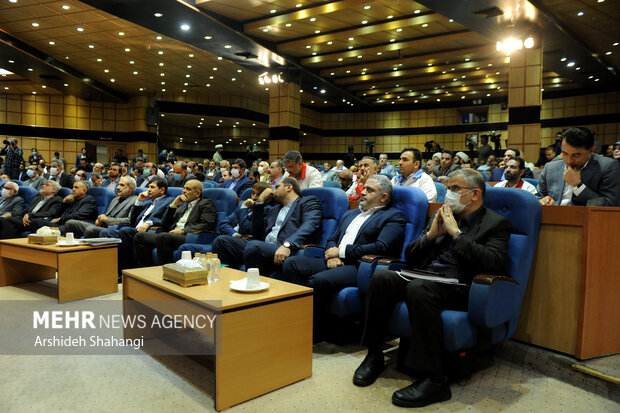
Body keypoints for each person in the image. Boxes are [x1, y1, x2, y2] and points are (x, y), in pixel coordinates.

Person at [353, 168, 512, 407]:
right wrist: (429, 236)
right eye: (447, 188)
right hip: (426, 276)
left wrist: (456, 234)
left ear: (475, 194)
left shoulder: (496, 223)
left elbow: (493, 263)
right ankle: (374, 355)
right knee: (381, 277)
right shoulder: (441, 215)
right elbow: (411, 256)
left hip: (461, 286)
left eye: (455, 189)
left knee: (418, 289)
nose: (448, 194)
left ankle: (435, 379)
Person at [282, 175, 406, 341]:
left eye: (370, 190)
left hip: (360, 266)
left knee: (318, 280)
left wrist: (341, 253)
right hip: (335, 260)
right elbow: (332, 238)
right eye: (364, 188)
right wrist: (331, 254)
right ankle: (293, 320)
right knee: (292, 263)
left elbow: (382, 247)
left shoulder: (393, 216)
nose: (363, 192)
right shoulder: (351, 213)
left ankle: (313, 332)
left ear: (384, 197)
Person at [212, 177, 322, 278]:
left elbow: (310, 224)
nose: (273, 190)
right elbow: (257, 233)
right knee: (221, 241)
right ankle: (228, 281)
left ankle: (253, 288)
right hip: (263, 246)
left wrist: (288, 244)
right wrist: (259, 202)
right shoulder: (275, 209)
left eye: (277, 187)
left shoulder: (307, 201)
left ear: (289, 187)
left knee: (254, 246)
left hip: (285, 247)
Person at [100, 177, 172, 278]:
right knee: (105, 233)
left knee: (125, 231)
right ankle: (106, 268)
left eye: (152, 187)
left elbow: (167, 218)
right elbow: (133, 220)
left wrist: (149, 223)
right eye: (148, 187)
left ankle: (122, 271)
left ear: (162, 190)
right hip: (134, 229)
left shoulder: (168, 201)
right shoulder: (147, 202)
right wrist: (139, 202)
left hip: (150, 231)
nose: (148, 190)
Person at [133, 179, 216, 266]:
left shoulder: (206, 204)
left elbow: (206, 224)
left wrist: (183, 231)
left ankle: (165, 270)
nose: (184, 191)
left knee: (163, 237)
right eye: (184, 188)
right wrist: (174, 205)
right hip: (170, 236)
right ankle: (145, 269)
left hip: (188, 237)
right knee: (140, 236)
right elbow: (164, 224)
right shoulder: (182, 208)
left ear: (197, 193)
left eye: (188, 189)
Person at [539, 127, 620, 206]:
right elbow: (537, 196)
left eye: (576, 155)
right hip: (551, 217)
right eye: (565, 153)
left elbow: (609, 205)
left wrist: (578, 186)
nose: (569, 160)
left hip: (585, 218)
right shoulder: (551, 167)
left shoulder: (608, 167)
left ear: (592, 151)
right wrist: (542, 201)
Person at [64, 176, 137, 238]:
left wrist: (107, 220)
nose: (118, 187)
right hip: (101, 226)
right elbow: (106, 214)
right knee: (70, 223)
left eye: (122, 185)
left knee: (90, 229)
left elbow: (130, 220)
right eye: (118, 185)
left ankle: (85, 253)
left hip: (114, 228)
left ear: (131, 189)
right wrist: (99, 220)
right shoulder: (115, 199)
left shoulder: (135, 201)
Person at [26, 181, 98, 233]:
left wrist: (60, 219)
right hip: (63, 223)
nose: (73, 189)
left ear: (84, 190)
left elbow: (78, 215)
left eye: (76, 187)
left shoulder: (89, 200)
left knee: (38, 223)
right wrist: (64, 202)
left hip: (73, 225)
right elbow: (60, 213)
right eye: (73, 187)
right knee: (36, 222)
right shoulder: (73, 199)